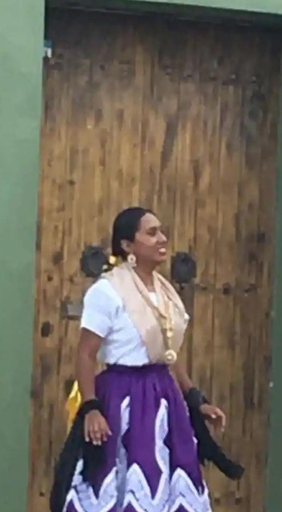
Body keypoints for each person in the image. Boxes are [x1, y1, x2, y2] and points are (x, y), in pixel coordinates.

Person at [54, 207, 226, 512]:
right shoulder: (108, 291)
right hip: (122, 396)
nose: (162, 238)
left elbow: (169, 353)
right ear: (127, 246)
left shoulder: (165, 292)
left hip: (163, 398)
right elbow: (85, 353)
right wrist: (91, 408)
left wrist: (195, 399)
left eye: (161, 231)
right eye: (151, 233)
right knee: (123, 480)